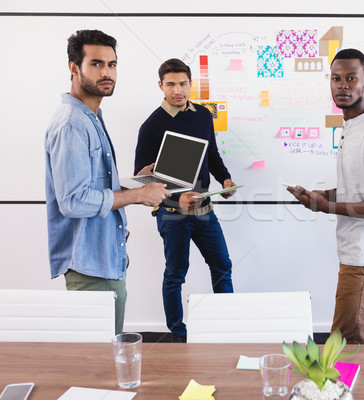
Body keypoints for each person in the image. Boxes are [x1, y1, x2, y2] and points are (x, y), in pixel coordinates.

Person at [45, 29, 171, 334]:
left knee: (106, 354)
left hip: (103, 257)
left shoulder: (91, 116)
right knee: (101, 364)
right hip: (91, 267)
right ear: (74, 68)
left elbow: (93, 185)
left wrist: (133, 183)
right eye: (97, 64)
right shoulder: (72, 124)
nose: (107, 73)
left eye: (112, 64)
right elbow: (73, 200)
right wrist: (139, 195)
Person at [288, 49, 364, 344]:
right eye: (336, 78)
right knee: (348, 340)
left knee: (346, 343)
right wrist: (321, 196)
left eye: (351, 78)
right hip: (355, 251)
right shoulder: (351, 126)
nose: (342, 85)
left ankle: (347, 391)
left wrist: (329, 207)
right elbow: (361, 186)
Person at [134, 58, 237, 343]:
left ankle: (226, 327)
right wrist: (169, 187)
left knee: (222, 266)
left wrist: (225, 180)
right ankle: (178, 335)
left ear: (191, 84)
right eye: (171, 85)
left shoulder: (203, 116)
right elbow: (140, 179)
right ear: (160, 86)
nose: (177, 90)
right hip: (172, 213)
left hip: (205, 209)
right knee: (176, 275)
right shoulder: (152, 126)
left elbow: (212, 155)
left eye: (182, 84)